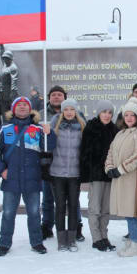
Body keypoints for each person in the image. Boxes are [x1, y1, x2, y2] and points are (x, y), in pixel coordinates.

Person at [0, 96, 56, 257]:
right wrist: (1, 170)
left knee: (34, 213)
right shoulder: (4, 129)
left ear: (30, 109)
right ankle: (4, 243)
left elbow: (49, 147)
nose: (22, 107)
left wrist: (50, 133)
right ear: (13, 109)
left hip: (32, 179)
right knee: (8, 213)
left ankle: (36, 242)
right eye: (19, 105)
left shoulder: (37, 129)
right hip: (11, 179)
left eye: (25, 105)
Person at [40, 85, 85, 242]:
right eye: (53, 95)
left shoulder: (80, 122)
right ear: (49, 97)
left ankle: (75, 230)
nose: (56, 97)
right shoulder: (44, 116)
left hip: (73, 172)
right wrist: (45, 166)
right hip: (54, 170)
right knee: (49, 201)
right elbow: (46, 145)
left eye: (59, 94)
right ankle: (47, 227)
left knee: (73, 203)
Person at [105, 97, 137, 257]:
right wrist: (109, 167)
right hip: (120, 177)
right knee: (126, 210)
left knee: (132, 210)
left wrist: (120, 169)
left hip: (133, 177)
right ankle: (131, 239)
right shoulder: (120, 133)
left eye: (132, 115)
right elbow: (110, 152)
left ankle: (135, 244)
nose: (129, 118)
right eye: (126, 115)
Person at [80, 100, 118, 252]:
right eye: (104, 112)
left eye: (109, 112)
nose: (107, 115)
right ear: (99, 113)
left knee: (106, 209)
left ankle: (104, 236)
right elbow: (84, 152)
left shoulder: (115, 130)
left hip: (109, 175)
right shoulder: (91, 128)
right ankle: (96, 238)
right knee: (95, 208)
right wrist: (86, 173)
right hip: (96, 175)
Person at [49, 98, 85, 252]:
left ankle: (71, 240)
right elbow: (48, 148)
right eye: (66, 109)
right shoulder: (55, 127)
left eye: (72, 109)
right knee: (60, 208)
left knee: (72, 206)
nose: (69, 112)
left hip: (74, 174)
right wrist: (47, 133)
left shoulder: (82, 127)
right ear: (62, 111)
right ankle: (61, 240)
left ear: (76, 111)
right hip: (57, 173)